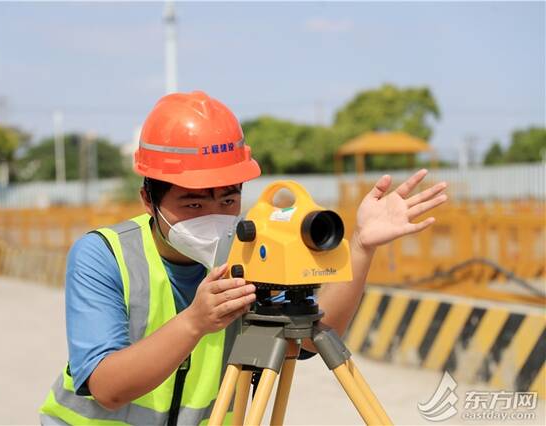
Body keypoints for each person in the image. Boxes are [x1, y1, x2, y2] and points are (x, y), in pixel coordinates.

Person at [39, 91, 448, 425]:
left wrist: (360, 246)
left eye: (228, 199)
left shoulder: (250, 250)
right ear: (149, 199)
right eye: (193, 204)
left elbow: (306, 340)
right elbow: (108, 389)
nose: (215, 217)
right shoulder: (105, 255)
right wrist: (195, 321)